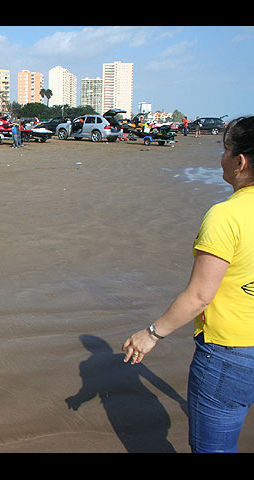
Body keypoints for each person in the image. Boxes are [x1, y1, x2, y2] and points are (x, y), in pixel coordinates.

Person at [122, 116, 254, 453]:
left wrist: (151, 334)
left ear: (240, 162)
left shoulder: (227, 216)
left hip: (230, 355)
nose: (222, 158)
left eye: (225, 150)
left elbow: (199, 296)